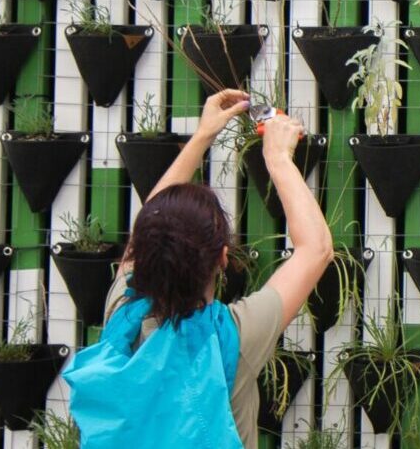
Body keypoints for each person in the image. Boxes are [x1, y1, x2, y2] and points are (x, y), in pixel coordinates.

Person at [63, 91, 332, 449]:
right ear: (223, 258)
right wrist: (278, 158)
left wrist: (203, 136)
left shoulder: (123, 313)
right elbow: (316, 249)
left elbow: (148, 228)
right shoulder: (231, 339)